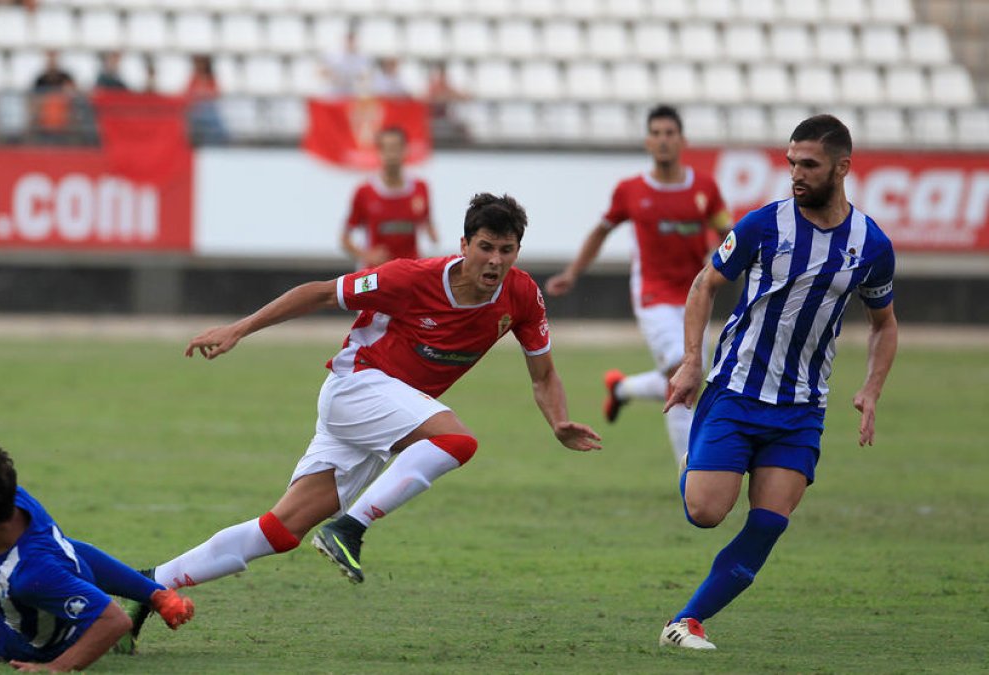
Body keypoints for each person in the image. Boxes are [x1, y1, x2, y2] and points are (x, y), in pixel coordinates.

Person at [121, 193, 602, 647]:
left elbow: (543, 375)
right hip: (357, 387)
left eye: (506, 250)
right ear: (463, 245)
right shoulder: (411, 278)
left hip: (385, 416)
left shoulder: (522, 296)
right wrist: (239, 329)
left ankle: (147, 586)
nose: (495, 261)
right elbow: (319, 294)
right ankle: (348, 528)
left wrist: (558, 421)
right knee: (458, 441)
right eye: (485, 247)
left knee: (281, 531)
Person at [658, 114, 897, 650]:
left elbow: (884, 324)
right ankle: (695, 465)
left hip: (802, 409)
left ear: (842, 168)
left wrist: (871, 389)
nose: (796, 173)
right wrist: (692, 360)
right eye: (791, 163)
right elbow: (704, 285)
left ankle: (686, 622)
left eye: (808, 165)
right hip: (738, 391)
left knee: (768, 522)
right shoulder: (763, 226)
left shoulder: (872, 245)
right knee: (705, 512)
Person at [0, 431, 194, 670]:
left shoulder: (27, 575)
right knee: (70, 550)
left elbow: (115, 620)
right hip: (65, 577)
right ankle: (152, 593)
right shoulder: (14, 498)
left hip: (31, 638)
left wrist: (55, 668)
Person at [545, 104, 731, 469]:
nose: (663, 141)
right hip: (653, 295)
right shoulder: (631, 191)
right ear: (648, 141)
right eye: (656, 134)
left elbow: (728, 234)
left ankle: (621, 389)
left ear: (682, 140)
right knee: (683, 369)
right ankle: (688, 468)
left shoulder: (705, 188)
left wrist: (725, 260)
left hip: (696, 296)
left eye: (670, 134)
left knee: (690, 375)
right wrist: (573, 272)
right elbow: (601, 231)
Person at [340, 126, 438, 268]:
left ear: (405, 150)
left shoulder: (420, 188)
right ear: (379, 152)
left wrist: (432, 236)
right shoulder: (365, 191)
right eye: (386, 148)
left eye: (396, 147)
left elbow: (427, 221)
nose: (391, 153)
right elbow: (345, 239)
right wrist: (367, 255)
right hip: (375, 273)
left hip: (410, 270)